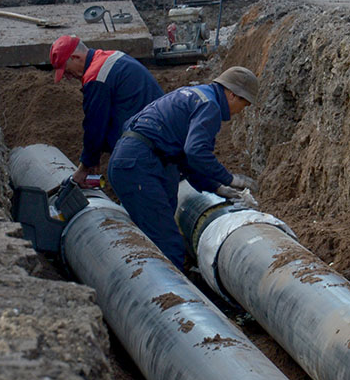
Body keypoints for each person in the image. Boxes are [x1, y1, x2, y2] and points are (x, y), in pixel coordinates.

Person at [107, 67, 260, 269]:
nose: (242, 110)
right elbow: (196, 151)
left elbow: (187, 158)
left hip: (136, 159)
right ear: (232, 95)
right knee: (167, 243)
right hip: (140, 165)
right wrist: (230, 179)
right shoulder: (210, 106)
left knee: (160, 221)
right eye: (244, 103)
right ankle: (171, 294)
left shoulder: (194, 95)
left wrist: (215, 187)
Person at [48, 35, 164, 187]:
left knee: (127, 181)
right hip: (161, 130)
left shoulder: (96, 77)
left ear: (76, 57)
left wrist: (84, 167)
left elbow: (95, 125)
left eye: (67, 71)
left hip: (145, 145)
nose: (68, 77)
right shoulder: (110, 57)